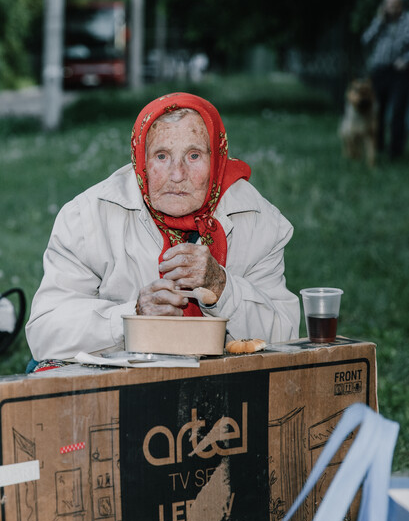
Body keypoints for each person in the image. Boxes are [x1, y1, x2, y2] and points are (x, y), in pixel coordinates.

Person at [25, 92, 299, 360]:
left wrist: (222, 287)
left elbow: (285, 336)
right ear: (140, 160)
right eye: (162, 156)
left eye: (193, 156)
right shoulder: (87, 218)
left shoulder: (258, 220)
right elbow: (44, 331)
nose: (177, 175)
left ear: (217, 158)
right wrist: (132, 317)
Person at [361, 0, 409, 160]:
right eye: (389, 5)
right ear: (384, 6)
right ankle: (378, 145)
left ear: (401, 5)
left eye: (395, 6)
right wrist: (379, 21)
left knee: (398, 110)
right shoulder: (380, 21)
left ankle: (396, 152)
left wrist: (407, 60)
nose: (392, 9)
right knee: (377, 111)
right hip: (380, 70)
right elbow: (365, 40)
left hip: (400, 72)